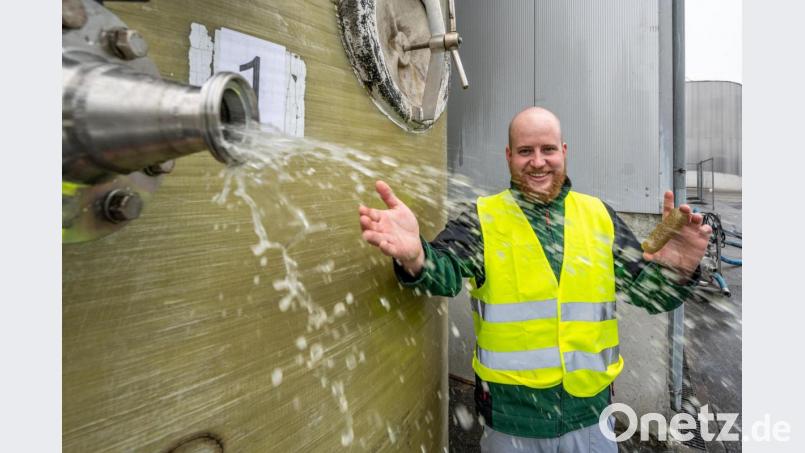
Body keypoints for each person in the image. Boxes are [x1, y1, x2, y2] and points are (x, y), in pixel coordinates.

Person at [358, 107, 710, 452]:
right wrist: (417, 257)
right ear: (509, 156)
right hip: (512, 422)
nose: (538, 161)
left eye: (548, 149)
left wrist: (678, 270)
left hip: (589, 417)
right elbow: (445, 272)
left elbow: (650, 297)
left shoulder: (600, 216)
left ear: (564, 152)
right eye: (526, 151)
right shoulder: (483, 219)